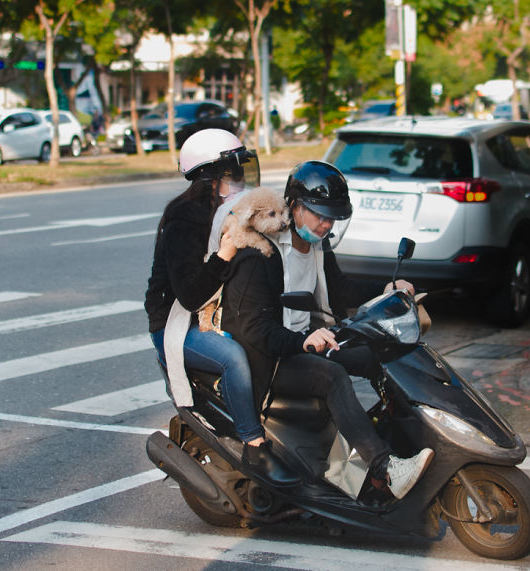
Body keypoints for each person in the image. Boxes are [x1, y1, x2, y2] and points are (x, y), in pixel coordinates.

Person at [221, 160, 434, 500]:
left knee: (377, 354)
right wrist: (302, 341)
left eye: (332, 217)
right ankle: (385, 469)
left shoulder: (318, 244)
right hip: (272, 357)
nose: (326, 224)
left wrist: (386, 289)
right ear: (294, 206)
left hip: (310, 341)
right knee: (331, 376)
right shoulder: (261, 253)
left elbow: (340, 290)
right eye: (319, 215)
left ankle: (399, 435)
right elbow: (255, 330)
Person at [144, 128, 298, 487]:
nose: (240, 179)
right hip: (176, 323)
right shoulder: (185, 219)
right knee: (233, 357)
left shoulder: (226, 212)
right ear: (209, 177)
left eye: (242, 169)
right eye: (232, 172)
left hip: (211, 314)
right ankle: (254, 445)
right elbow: (190, 296)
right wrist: (224, 254)